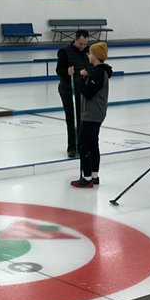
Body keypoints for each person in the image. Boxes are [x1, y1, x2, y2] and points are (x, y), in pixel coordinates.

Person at [70, 42, 112, 188]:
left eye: (91, 53)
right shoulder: (98, 72)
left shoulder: (98, 73)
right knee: (93, 143)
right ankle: (94, 175)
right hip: (95, 113)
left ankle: (87, 177)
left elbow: (88, 92)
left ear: (96, 56)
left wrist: (80, 79)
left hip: (92, 113)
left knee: (83, 145)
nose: (88, 55)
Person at [55, 30, 90, 158]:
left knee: (82, 118)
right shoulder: (65, 52)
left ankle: (81, 145)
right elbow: (58, 70)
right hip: (68, 90)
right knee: (71, 118)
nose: (83, 46)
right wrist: (67, 71)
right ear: (75, 39)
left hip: (81, 90)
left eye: (85, 44)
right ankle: (72, 147)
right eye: (81, 43)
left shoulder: (87, 51)